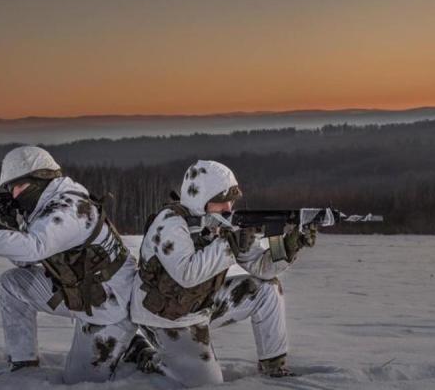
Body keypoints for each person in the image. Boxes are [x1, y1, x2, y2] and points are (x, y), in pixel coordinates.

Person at [129, 160, 315, 387]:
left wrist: (287, 246)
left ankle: (274, 365)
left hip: (200, 304)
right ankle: (144, 354)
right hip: (164, 317)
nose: (228, 207)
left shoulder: (223, 223)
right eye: (220, 201)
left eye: (230, 200)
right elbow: (186, 274)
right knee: (208, 383)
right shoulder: (169, 224)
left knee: (267, 289)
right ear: (201, 200)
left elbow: (261, 269)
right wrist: (228, 245)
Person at [0, 146, 137, 384]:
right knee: (12, 284)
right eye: (10, 189)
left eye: (18, 187)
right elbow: (24, 261)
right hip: (86, 292)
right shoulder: (48, 204)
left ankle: (135, 345)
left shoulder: (69, 209)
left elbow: (34, 247)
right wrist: (8, 224)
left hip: (111, 307)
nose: (15, 195)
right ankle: (23, 363)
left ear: (39, 179)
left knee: (79, 380)